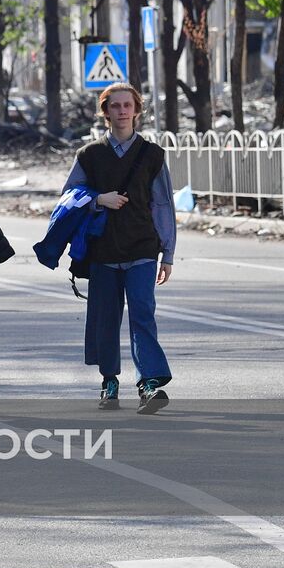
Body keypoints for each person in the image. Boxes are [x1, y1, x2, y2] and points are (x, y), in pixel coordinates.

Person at [63, 83, 175, 415]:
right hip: (103, 251)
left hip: (141, 247)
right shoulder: (89, 155)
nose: (122, 111)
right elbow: (68, 197)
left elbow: (163, 205)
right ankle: (109, 380)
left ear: (137, 110)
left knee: (143, 314)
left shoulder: (152, 155)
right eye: (115, 106)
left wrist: (167, 254)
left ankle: (149, 382)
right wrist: (99, 199)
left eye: (128, 105)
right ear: (105, 111)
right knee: (105, 319)